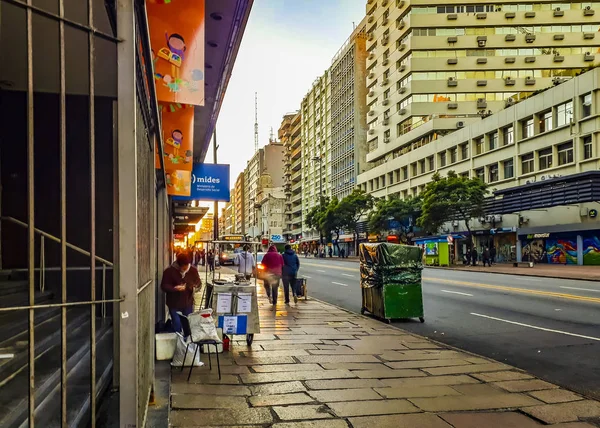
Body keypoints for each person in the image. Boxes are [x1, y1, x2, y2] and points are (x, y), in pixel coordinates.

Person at [160, 253, 201, 335]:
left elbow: (199, 284)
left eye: (187, 265)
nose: (185, 268)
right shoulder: (169, 271)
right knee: (177, 324)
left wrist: (193, 287)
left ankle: (186, 343)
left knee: (187, 326)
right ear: (179, 265)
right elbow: (163, 286)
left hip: (188, 303)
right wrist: (174, 288)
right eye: (183, 266)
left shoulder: (193, 270)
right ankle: (178, 342)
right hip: (174, 303)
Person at [262, 245, 284, 310]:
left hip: (268, 273)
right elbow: (282, 265)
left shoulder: (266, 255)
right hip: (277, 274)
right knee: (275, 288)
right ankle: (275, 301)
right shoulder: (279, 255)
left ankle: (269, 295)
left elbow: (263, 263)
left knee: (266, 285)